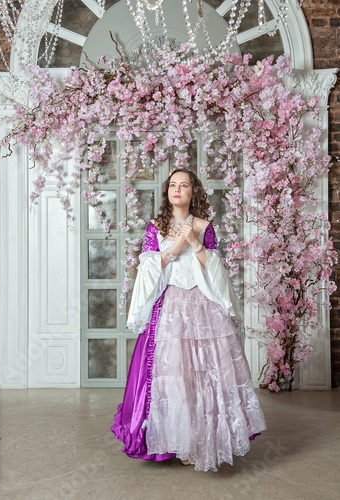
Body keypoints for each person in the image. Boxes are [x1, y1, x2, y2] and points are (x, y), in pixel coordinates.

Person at [111, 168, 267, 472]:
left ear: (192, 192)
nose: (177, 190)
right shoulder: (156, 226)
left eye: (184, 185)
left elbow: (215, 268)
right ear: (167, 192)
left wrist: (195, 243)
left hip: (201, 306)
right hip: (169, 306)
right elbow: (146, 268)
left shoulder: (205, 225)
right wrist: (175, 247)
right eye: (173, 185)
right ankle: (175, 439)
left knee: (204, 375)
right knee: (175, 375)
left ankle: (201, 440)